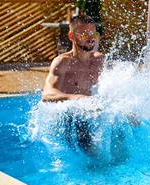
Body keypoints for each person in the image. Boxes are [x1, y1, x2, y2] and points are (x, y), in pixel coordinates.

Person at [42, 14, 104, 153]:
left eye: (93, 34)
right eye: (84, 34)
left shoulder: (99, 60)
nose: (90, 38)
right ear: (71, 36)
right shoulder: (63, 62)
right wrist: (78, 98)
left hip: (89, 114)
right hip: (69, 117)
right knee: (82, 131)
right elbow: (47, 94)